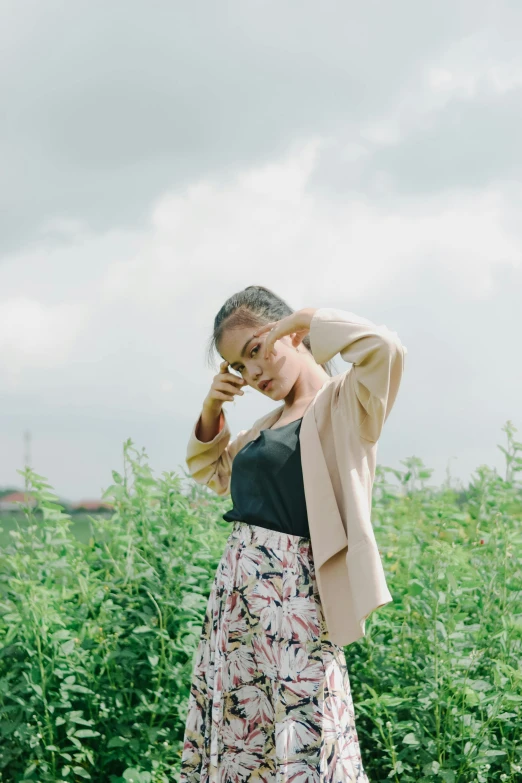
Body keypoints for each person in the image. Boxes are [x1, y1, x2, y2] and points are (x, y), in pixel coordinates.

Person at [179, 285, 407, 782]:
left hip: (297, 596)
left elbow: (385, 348)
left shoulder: (345, 405)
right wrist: (212, 406)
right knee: (246, 736)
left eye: (257, 350)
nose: (253, 373)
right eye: (239, 366)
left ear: (292, 334)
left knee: (307, 727)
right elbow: (212, 472)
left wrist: (307, 317)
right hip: (240, 603)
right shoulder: (265, 424)